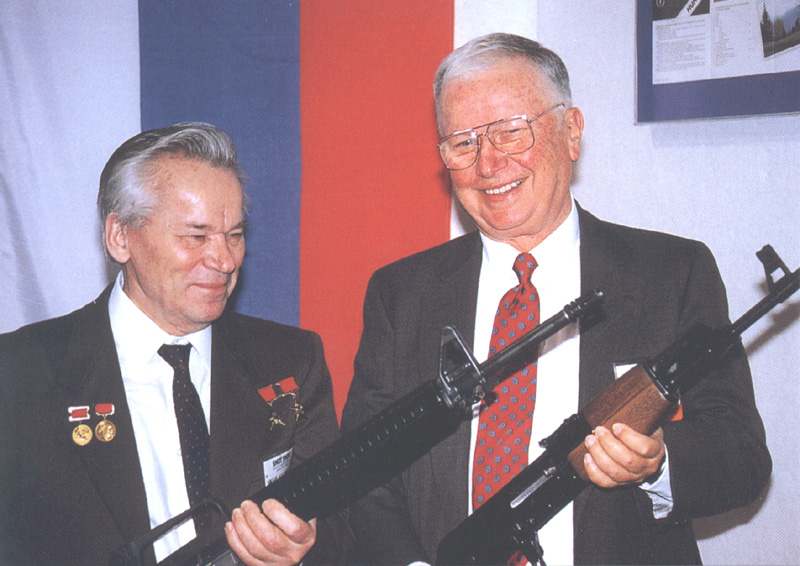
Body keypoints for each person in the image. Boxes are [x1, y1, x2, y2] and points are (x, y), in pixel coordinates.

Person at [341, 33, 771, 565]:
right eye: (463, 143)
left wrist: (658, 463)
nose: (488, 164)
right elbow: (363, 474)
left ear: (571, 132)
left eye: (510, 132)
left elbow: (742, 458)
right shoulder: (401, 294)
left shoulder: (671, 273)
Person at [0, 123, 344, 566]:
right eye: (196, 236)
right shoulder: (19, 375)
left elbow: (340, 526)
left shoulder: (290, 360)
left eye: (235, 235)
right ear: (120, 236)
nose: (224, 260)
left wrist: (302, 549)